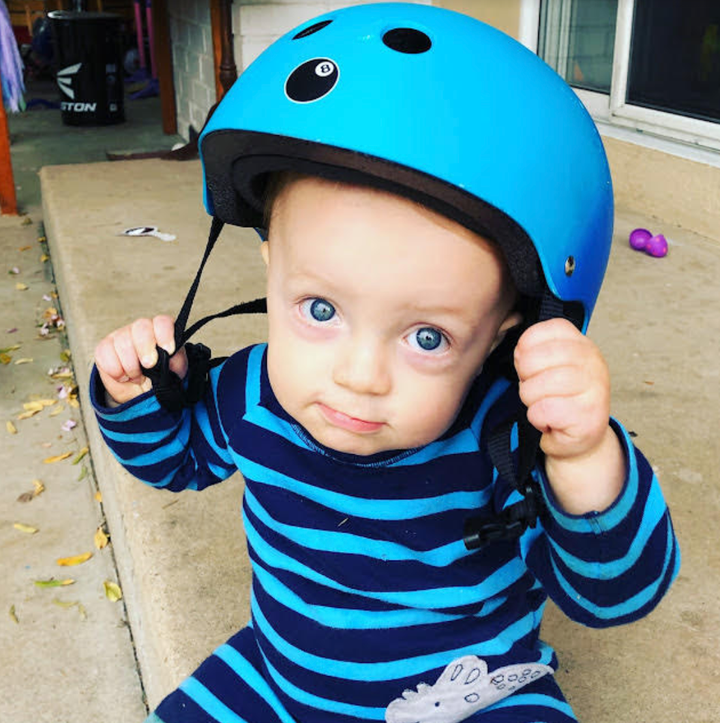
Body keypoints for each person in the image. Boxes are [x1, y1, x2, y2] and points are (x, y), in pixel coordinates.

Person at [91, 4, 679, 722]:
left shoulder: (505, 439)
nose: (359, 375)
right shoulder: (250, 393)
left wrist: (586, 460)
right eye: (319, 309)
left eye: (427, 337)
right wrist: (135, 396)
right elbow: (173, 460)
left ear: (506, 331)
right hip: (279, 679)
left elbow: (610, 593)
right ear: (271, 260)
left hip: (466, 693)